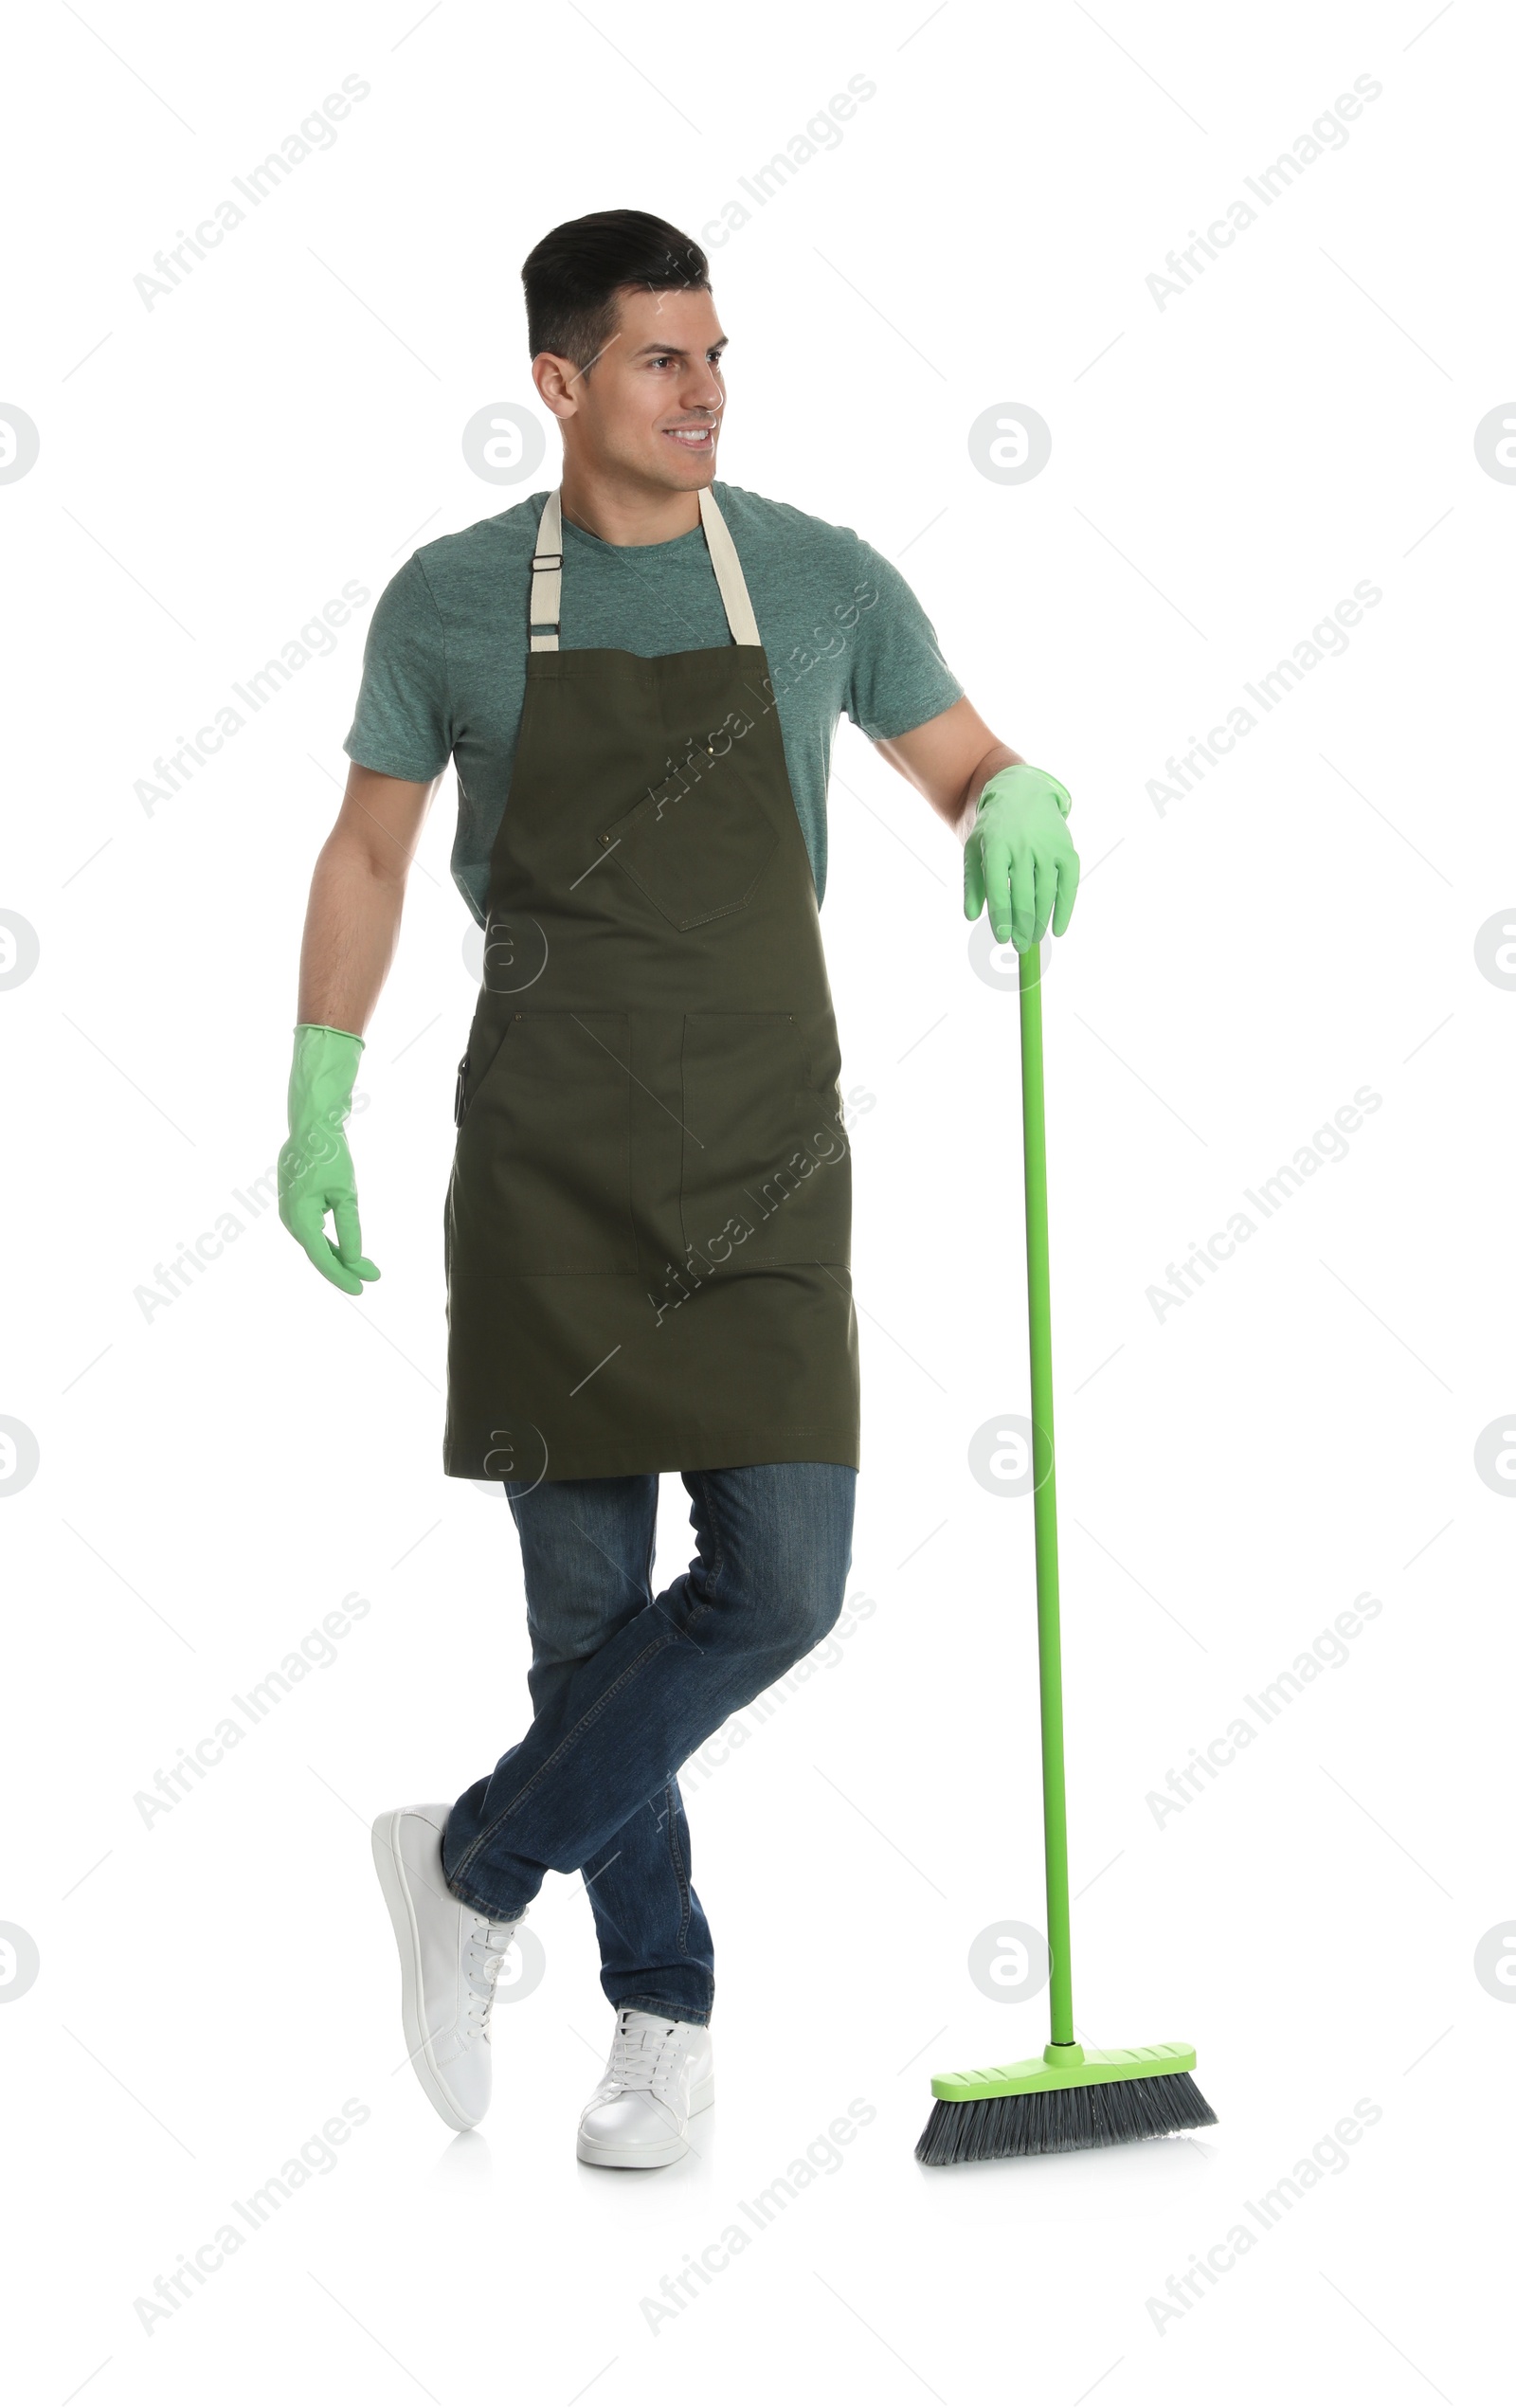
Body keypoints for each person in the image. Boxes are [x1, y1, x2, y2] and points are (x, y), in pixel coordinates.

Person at [279, 208, 1079, 2168]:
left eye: (716, 354)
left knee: (779, 1582)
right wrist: (316, 1086)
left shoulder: (814, 577)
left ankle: (465, 1861)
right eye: (658, 358)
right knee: (583, 1624)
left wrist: (1017, 798)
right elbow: (372, 854)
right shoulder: (452, 605)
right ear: (557, 384)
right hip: (547, 1160)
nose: (702, 389)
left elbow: (960, 757)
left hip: (762, 1156)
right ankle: (662, 2013)